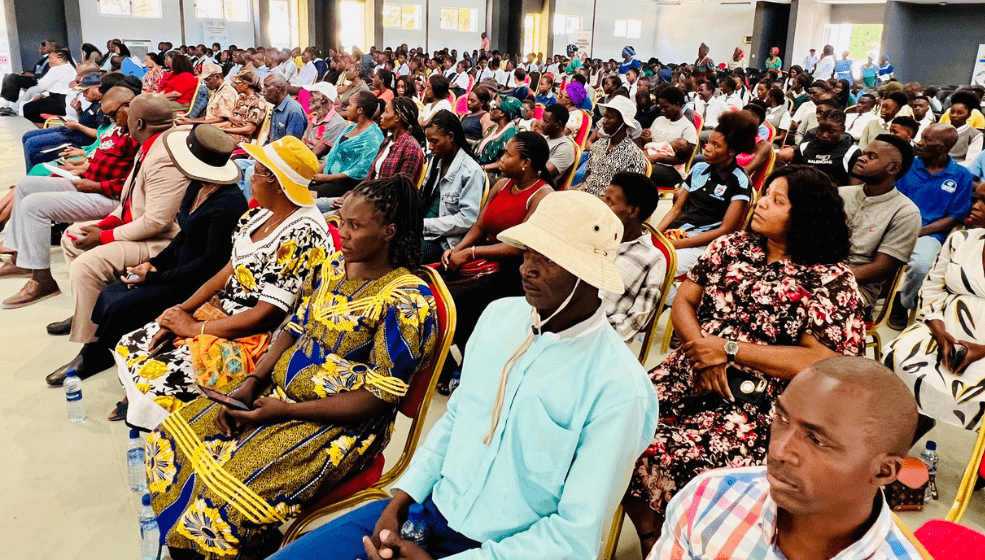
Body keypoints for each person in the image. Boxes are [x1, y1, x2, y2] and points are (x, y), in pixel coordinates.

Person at [269, 190, 657, 560]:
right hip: (426, 509)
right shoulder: (501, 318)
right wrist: (401, 500)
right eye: (528, 253)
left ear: (589, 275)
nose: (528, 268)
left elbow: (575, 537)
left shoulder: (619, 389)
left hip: (501, 547)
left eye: (549, 259)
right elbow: (456, 420)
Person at [145, 175, 436, 560]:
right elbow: (294, 328)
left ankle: (229, 547)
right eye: (341, 221)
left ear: (389, 232)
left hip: (339, 425)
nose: (341, 233)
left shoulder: (407, 301)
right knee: (169, 439)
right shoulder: (335, 266)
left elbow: (375, 399)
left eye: (354, 225)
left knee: (222, 496)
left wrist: (284, 411)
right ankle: (222, 546)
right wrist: (252, 381)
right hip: (277, 396)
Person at [626, 165, 865, 556]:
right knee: (616, 425)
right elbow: (685, 299)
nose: (761, 204)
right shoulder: (731, 247)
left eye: (777, 200)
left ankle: (675, 534)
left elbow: (821, 360)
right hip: (691, 368)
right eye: (764, 193)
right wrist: (704, 349)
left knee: (663, 454)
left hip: (759, 401)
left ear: (804, 215)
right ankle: (650, 530)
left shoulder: (829, 278)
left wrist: (729, 349)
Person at [115, 135, 334, 429]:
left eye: (256, 170)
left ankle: (176, 435)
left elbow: (264, 315)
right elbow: (227, 271)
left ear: (276, 181)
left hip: (258, 336)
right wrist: (181, 311)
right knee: (132, 345)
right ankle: (147, 413)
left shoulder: (303, 232)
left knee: (156, 377)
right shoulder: (257, 216)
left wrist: (194, 328)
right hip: (222, 314)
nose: (249, 176)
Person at [649, 357, 925, 560]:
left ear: (883, 471)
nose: (779, 450)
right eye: (781, 418)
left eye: (817, 440)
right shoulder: (709, 498)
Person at [63, 126, 248, 391]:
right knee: (111, 294)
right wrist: (154, 264)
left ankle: (116, 364)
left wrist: (156, 277)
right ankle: (103, 351)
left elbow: (212, 262)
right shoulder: (196, 186)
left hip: (196, 282)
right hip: (177, 268)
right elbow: (183, 236)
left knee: (122, 306)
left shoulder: (228, 203)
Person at [0, 87, 140, 309]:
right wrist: (82, 169)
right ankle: (21, 259)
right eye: (108, 115)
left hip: (111, 197)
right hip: (89, 183)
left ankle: (42, 280)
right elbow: (99, 157)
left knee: (34, 206)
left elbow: (134, 183)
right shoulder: (116, 129)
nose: (111, 119)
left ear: (130, 106)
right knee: (26, 186)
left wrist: (95, 185)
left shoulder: (137, 134)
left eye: (114, 114)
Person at [885, 175, 985, 430]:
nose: (975, 206)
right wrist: (938, 329)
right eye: (975, 199)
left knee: (984, 391)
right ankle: (901, 433)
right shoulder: (960, 239)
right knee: (898, 356)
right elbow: (932, 286)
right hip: (942, 325)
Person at [441, 132, 553, 363]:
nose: (500, 159)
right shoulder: (502, 184)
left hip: (512, 269)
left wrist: (470, 253)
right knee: (431, 282)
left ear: (525, 163)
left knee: (453, 297)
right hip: (483, 254)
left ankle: (459, 360)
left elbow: (520, 246)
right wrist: (457, 250)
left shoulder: (542, 195)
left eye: (507, 154)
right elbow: (480, 225)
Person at [656, 110, 757, 303]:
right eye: (708, 142)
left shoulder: (739, 181)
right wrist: (657, 235)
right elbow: (676, 209)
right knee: (635, 255)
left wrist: (675, 244)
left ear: (732, 151)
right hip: (678, 233)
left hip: (703, 244)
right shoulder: (698, 168)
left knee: (656, 267)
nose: (707, 148)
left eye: (715, 145)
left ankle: (682, 308)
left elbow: (725, 230)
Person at [888, 124, 975, 330]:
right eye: (922, 137)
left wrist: (921, 231)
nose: (920, 142)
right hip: (896, 226)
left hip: (930, 233)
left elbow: (955, 217)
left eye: (928, 140)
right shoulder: (907, 165)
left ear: (944, 147)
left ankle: (903, 302)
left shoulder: (962, 175)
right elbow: (892, 200)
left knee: (920, 266)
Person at [840, 134, 921, 308]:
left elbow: (880, 269)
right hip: (816, 274)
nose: (861, 158)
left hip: (858, 289)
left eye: (871, 156)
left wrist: (828, 276)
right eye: (864, 153)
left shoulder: (905, 212)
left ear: (893, 168)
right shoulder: (840, 194)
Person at [600, 172, 667, 342]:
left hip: (603, 337)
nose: (603, 206)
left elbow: (637, 320)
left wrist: (590, 330)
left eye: (610, 202)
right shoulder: (595, 236)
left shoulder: (652, 259)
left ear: (633, 211)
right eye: (604, 198)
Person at [420, 111, 487, 263]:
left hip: (444, 241)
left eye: (434, 141)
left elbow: (467, 219)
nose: (430, 147)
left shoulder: (471, 171)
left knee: (400, 252)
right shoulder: (437, 161)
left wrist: (424, 225)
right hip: (424, 229)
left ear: (451, 137)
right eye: (428, 141)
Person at [308, 91, 383, 201]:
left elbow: (360, 171)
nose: (346, 108)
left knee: (306, 196)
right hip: (326, 178)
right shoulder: (350, 128)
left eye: (350, 105)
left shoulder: (373, 136)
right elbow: (332, 154)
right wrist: (318, 172)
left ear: (360, 110)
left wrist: (326, 178)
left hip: (345, 186)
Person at [578, 96, 647, 196]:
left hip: (609, 204)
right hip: (587, 197)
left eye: (609, 117)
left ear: (623, 123)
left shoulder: (634, 154)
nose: (604, 121)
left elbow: (629, 194)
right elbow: (586, 180)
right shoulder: (599, 145)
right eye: (604, 116)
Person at [644, 85, 699, 189]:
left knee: (638, 169)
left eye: (666, 107)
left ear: (677, 105)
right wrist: (645, 138)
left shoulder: (687, 128)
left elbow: (684, 158)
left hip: (672, 169)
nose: (662, 111)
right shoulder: (659, 120)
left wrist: (657, 158)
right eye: (661, 107)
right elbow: (650, 143)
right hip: (649, 159)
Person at [789, 109, 861, 186]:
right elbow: (793, 175)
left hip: (836, 194)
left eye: (831, 132)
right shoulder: (804, 147)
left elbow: (853, 188)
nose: (824, 135)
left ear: (842, 130)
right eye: (821, 130)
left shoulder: (852, 152)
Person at [367, 96, 424, 183]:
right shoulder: (387, 142)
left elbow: (402, 188)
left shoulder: (411, 148)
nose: (381, 116)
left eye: (386, 111)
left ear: (397, 117)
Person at [19, 47, 77, 124]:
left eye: (50, 58)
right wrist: (44, 94)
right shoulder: (71, 67)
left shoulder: (57, 69)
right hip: (69, 100)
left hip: (60, 102)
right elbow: (61, 87)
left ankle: (44, 129)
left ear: (60, 59)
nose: (49, 61)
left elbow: (42, 85)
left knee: (27, 108)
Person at [217, 72, 270, 145]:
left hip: (241, 139)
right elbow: (232, 120)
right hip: (230, 132)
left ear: (245, 85)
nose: (235, 85)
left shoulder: (257, 103)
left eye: (238, 83)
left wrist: (225, 130)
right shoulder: (242, 98)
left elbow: (249, 129)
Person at [475, 95, 521, 173]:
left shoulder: (512, 134)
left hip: (491, 175)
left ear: (502, 113)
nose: (490, 109)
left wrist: (481, 168)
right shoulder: (493, 128)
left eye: (494, 106)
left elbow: (505, 161)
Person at [301, 81, 347, 157]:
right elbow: (303, 142)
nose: (309, 99)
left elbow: (316, 153)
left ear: (323, 99)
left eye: (312, 96)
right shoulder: (313, 117)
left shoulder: (337, 123)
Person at [538, 103, 575, 187]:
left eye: (546, 121)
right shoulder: (545, 138)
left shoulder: (565, 147)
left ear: (558, 124)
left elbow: (542, 172)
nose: (542, 124)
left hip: (541, 188)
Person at [263, 74, 308, 141]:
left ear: (278, 88)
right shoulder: (277, 107)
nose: (263, 90)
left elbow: (291, 144)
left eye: (267, 86)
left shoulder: (294, 111)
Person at [946, 91, 985, 164]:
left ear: (968, 115)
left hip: (959, 171)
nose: (954, 115)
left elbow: (971, 161)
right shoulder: (941, 130)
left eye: (959, 113)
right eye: (952, 112)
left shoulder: (975, 135)